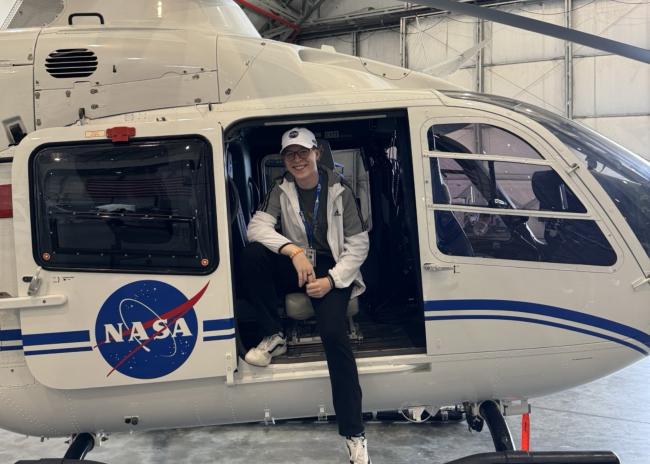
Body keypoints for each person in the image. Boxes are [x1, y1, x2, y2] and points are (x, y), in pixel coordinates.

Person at [239, 127, 371, 464]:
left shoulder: (340, 190)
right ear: (284, 160)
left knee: (332, 335)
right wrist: (293, 251)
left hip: (331, 267)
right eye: (289, 154)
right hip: (299, 260)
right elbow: (257, 228)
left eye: (302, 152)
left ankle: (354, 435)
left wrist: (331, 280)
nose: (297, 160)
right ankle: (273, 334)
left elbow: (358, 245)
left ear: (317, 153)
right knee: (253, 254)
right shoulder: (281, 188)